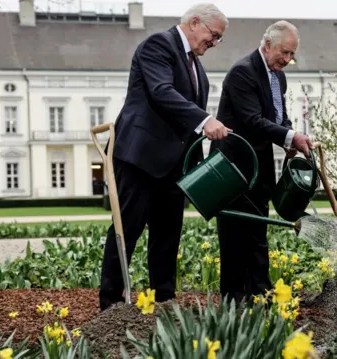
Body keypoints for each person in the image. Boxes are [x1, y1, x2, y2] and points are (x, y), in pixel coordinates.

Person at [99, 3, 230, 311]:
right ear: (195, 23)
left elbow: (187, 123)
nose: (214, 43)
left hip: (173, 167)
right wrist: (204, 119)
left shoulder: (197, 67)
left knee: (168, 235)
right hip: (139, 158)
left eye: (218, 39)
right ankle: (110, 304)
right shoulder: (158, 45)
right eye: (213, 35)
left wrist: (200, 165)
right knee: (125, 230)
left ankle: (165, 300)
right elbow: (161, 92)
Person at [210, 21, 313, 304]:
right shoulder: (242, 73)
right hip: (231, 167)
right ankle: (234, 300)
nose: (287, 59)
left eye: (291, 54)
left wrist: (290, 139)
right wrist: (291, 137)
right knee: (233, 234)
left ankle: (260, 292)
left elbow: (279, 117)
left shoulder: (278, 76)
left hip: (258, 167)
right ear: (267, 44)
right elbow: (253, 121)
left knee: (257, 233)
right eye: (284, 52)